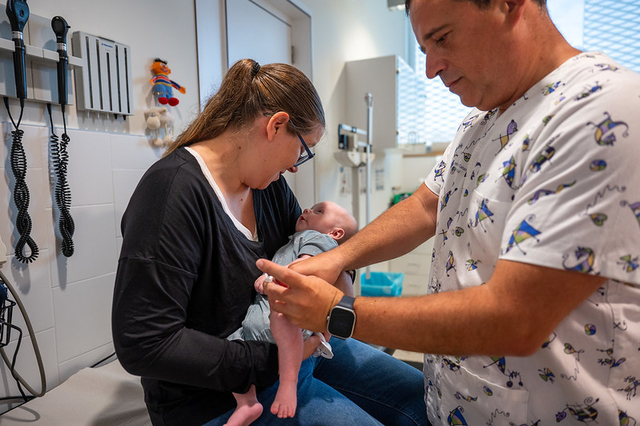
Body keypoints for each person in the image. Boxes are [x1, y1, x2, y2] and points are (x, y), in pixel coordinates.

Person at [257, 1, 640, 424]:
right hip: (456, 402)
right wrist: (335, 259)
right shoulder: (481, 121)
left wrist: (336, 311)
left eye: (441, 38)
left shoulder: (601, 115)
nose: (430, 68)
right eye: (422, 47)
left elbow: (516, 318)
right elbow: (425, 206)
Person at [112, 58, 427, 426]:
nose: (297, 167)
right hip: (217, 396)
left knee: (420, 396)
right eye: (304, 150)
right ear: (276, 125)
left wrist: (338, 290)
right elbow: (144, 342)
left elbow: (316, 246)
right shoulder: (171, 194)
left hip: (295, 353)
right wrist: (273, 361)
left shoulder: (269, 188)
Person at [226, 201, 358, 425]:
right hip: (257, 322)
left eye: (318, 211)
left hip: (283, 315)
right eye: (310, 208)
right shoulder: (297, 239)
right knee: (230, 352)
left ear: (335, 232)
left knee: (284, 331)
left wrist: (271, 278)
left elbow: (303, 269)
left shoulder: (320, 240)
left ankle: (288, 383)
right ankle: (247, 404)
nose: (306, 210)